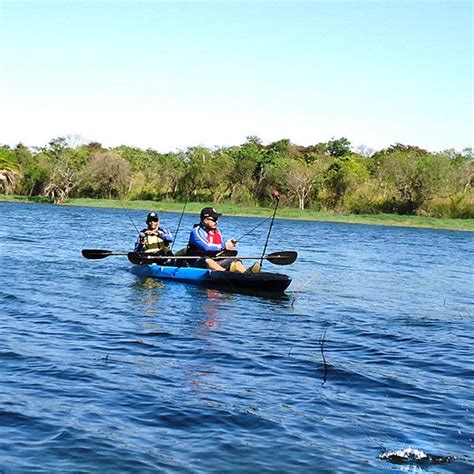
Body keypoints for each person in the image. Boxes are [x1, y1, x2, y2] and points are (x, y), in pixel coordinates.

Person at [187, 207, 260, 273]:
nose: (217, 222)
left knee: (235, 260)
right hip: (196, 261)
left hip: (214, 259)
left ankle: (247, 273)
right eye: (214, 219)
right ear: (205, 220)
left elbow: (219, 244)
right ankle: (225, 272)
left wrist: (230, 244)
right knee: (207, 260)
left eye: (217, 219)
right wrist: (224, 246)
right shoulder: (196, 232)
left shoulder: (216, 231)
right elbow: (207, 247)